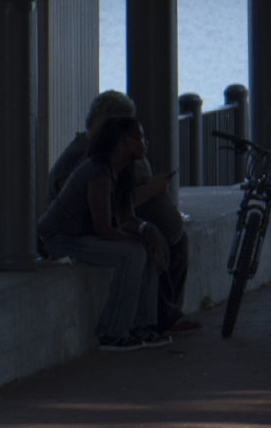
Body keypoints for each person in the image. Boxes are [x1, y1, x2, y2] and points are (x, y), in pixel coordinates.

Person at [45, 89, 196, 334]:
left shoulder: (110, 158)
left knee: (170, 243)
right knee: (140, 249)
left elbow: (121, 201)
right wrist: (149, 192)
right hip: (77, 233)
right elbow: (95, 207)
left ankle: (163, 315)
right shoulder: (81, 157)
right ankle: (135, 324)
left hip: (106, 223)